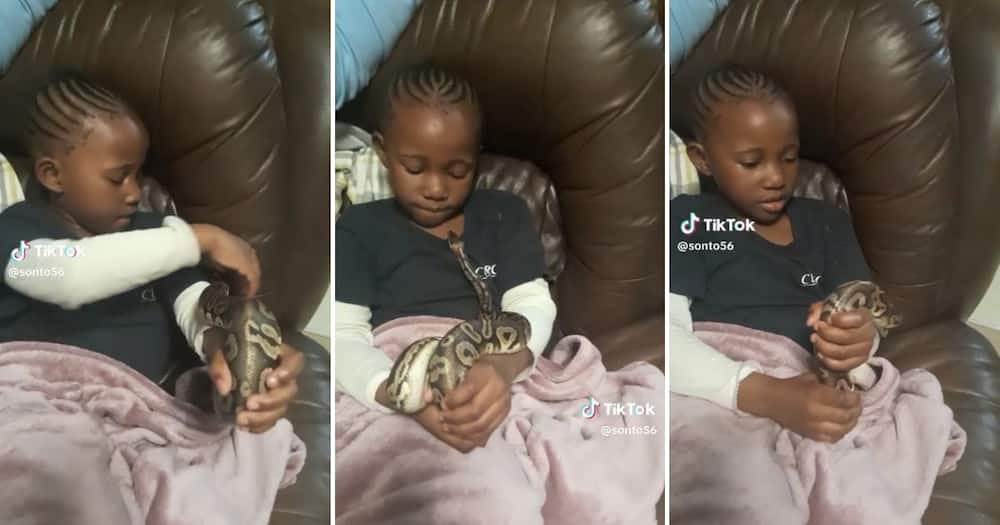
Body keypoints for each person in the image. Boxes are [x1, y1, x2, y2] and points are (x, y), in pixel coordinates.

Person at [0, 75, 303, 433]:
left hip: (135, 414)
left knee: (259, 444)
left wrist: (227, 354)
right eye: (117, 178)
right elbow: (67, 275)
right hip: (32, 403)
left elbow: (194, 306)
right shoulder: (16, 233)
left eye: (139, 176)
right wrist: (200, 239)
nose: (133, 193)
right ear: (52, 175)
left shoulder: (157, 232)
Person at [335, 65, 557, 452]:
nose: (436, 189)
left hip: (494, 366)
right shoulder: (357, 229)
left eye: (457, 171)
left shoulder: (505, 214)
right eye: (415, 168)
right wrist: (400, 393)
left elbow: (532, 306)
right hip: (397, 373)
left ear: (477, 159)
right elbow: (344, 338)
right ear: (382, 151)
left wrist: (504, 368)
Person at [670, 65, 878, 443]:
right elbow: (666, 337)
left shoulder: (827, 223)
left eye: (789, 157)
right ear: (702, 159)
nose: (776, 177)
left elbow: (862, 312)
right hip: (725, 387)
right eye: (751, 162)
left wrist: (859, 337)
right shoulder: (690, 222)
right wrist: (764, 394)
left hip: (815, 383)